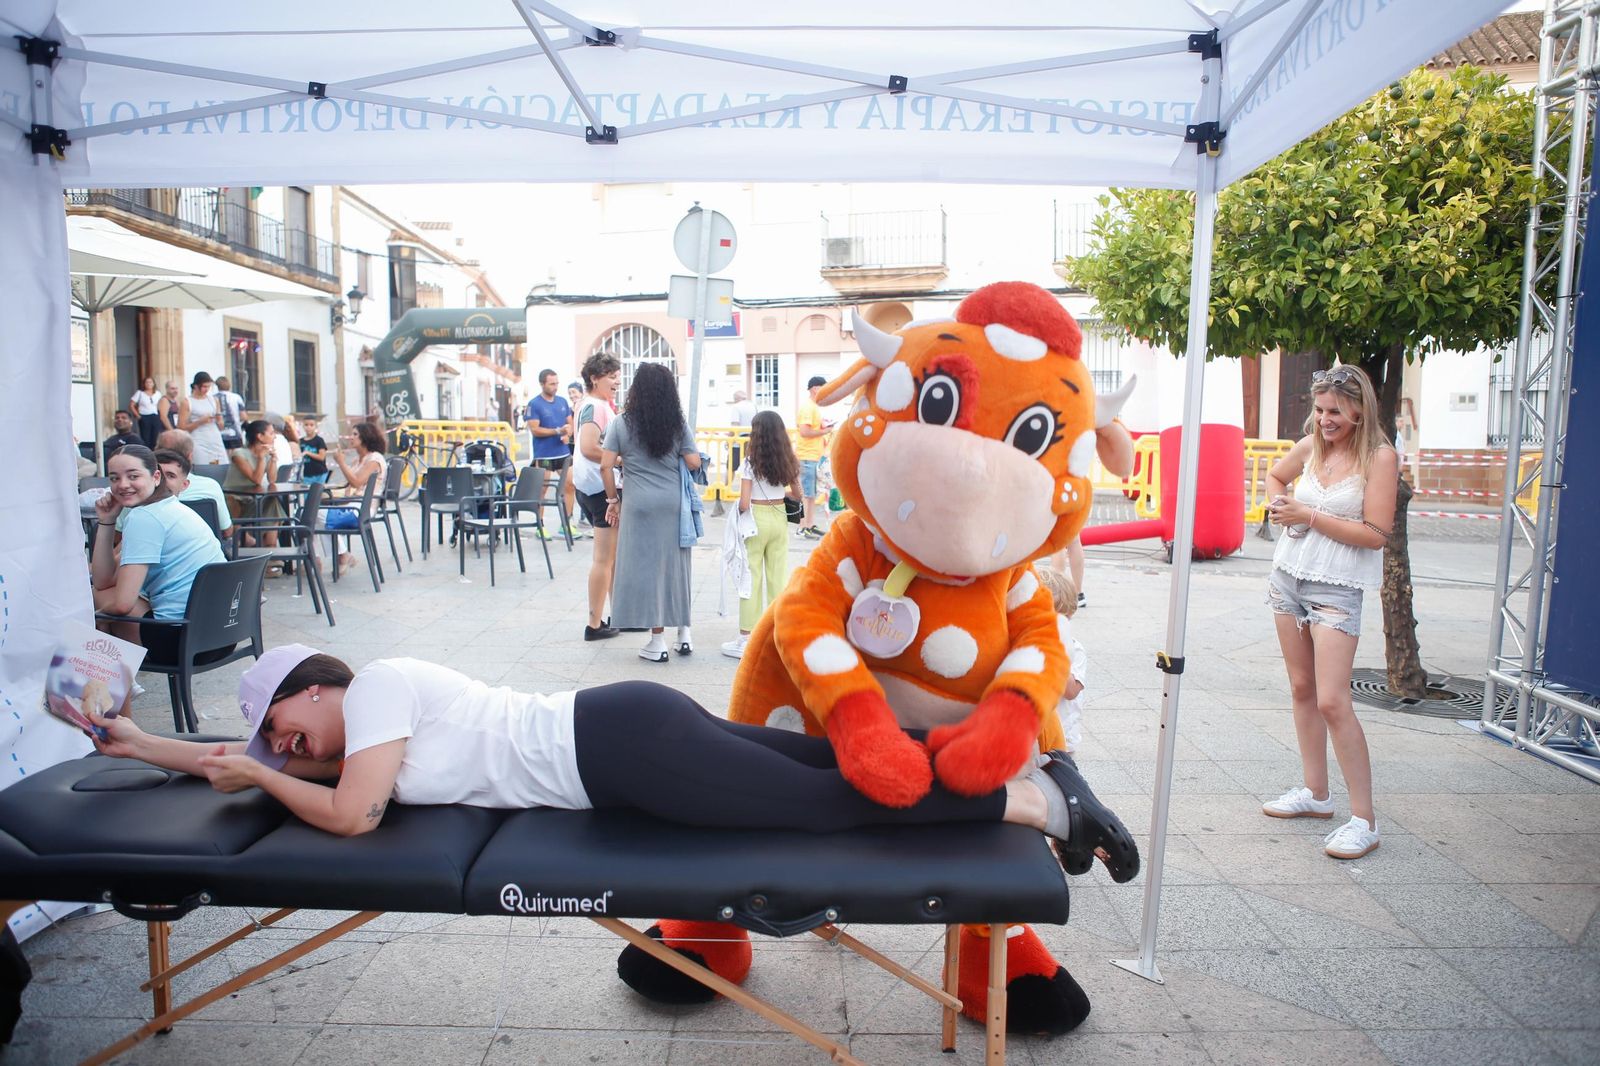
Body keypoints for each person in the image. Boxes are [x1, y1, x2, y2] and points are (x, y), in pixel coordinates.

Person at [82, 646, 1128, 890]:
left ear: (315, 684)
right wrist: (141, 745)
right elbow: (232, 762)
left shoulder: (374, 693)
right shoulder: (353, 728)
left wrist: (266, 779)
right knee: (834, 763)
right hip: (625, 735)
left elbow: (351, 818)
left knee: (825, 801)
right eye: (275, 743)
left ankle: (1024, 797)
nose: (283, 744)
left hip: (620, 746)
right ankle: (1031, 771)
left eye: (281, 725)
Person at [1262, 364, 1398, 861]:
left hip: (1337, 588)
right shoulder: (1314, 446)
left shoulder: (1380, 458)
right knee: (1302, 688)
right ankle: (1316, 795)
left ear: (1360, 410)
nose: (1324, 419)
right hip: (1288, 577)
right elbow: (1276, 475)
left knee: (1333, 701)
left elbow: (1377, 534)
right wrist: (1280, 506)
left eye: (1335, 411)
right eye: (1319, 410)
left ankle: (1365, 820)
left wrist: (1308, 516)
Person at [601, 362, 701, 662]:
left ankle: (656, 642)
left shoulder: (622, 423)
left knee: (648, 572)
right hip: (672, 505)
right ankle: (684, 634)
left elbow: (606, 465)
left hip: (638, 506)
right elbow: (694, 462)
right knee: (677, 567)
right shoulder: (677, 423)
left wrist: (612, 500)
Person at [90, 446, 226, 656]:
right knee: (107, 594)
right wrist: (107, 521)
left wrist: (97, 616)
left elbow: (121, 603)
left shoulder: (144, 518)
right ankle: (118, 683)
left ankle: (112, 683)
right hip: (222, 635)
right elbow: (104, 580)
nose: (123, 485)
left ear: (155, 477)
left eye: (133, 476)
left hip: (181, 640)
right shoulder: (172, 506)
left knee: (93, 598)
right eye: (114, 478)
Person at [721, 410, 802, 660]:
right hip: (779, 519)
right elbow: (797, 495)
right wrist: (780, 496)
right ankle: (777, 633)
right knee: (777, 577)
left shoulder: (750, 462)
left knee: (751, 579)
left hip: (755, 519)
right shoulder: (789, 460)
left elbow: (744, 503)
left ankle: (746, 638)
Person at [573, 353, 622, 641]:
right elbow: (589, 447)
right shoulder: (596, 407)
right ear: (594, 378)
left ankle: (618, 615)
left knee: (610, 558)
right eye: (611, 375)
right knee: (604, 559)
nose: (616, 380)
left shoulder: (593, 405)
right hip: (601, 491)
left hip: (591, 488)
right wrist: (620, 461)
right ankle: (594, 624)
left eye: (617, 374)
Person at [1035, 567, 1088, 753]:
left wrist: (1057, 653)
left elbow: (1071, 691)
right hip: (1032, 735)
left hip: (1063, 738)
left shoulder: (1075, 650)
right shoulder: (1027, 646)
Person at [524, 368, 581, 539]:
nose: (555, 387)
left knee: (571, 484)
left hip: (562, 454)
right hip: (544, 456)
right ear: (542, 384)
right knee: (542, 489)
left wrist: (568, 433)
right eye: (551, 384)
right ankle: (539, 525)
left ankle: (567, 523)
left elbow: (570, 424)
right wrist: (557, 431)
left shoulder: (562, 402)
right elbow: (535, 429)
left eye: (557, 383)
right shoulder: (534, 404)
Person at [324, 420, 387, 572]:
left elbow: (356, 482)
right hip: (352, 503)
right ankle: (340, 555)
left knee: (315, 516)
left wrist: (341, 463)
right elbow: (348, 485)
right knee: (314, 517)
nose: (350, 438)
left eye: (355, 435)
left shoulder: (374, 460)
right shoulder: (358, 460)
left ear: (365, 437)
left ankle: (342, 555)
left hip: (361, 508)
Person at [150, 442, 233, 543]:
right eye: (157, 475)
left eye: (170, 476)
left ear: (184, 484)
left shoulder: (136, 504)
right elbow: (227, 531)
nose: (163, 481)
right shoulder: (211, 485)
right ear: (190, 456)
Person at [224, 419, 283, 553]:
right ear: (260, 436)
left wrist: (273, 459)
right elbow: (256, 479)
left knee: (272, 501)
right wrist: (262, 458)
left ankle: (269, 549)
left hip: (252, 500)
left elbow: (272, 479)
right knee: (272, 505)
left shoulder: (266, 454)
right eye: (271, 433)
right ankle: (269, 552)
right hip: (235, 500)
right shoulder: (239, 454)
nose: (275, 436)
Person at [794, 375, 830, 539]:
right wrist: (824, 431)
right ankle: (802, 528)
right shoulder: (808, 407)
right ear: (816, 388)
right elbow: (804, 431)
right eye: (824, 388)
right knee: (806, 495)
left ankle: (808, 524)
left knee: (811, 494)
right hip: (807, 455)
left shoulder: (813, 407)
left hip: (813, 456)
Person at [179, 372, 228, 464]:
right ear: (196, 386)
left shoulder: (214, 400)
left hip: (214, 436)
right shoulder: (187, 402)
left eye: (208, 387)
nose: (207, 389)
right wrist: (200, 422)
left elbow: (221, 423)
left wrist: (219, 420)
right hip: (198, 438)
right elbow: (181, 427)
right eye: (204, 387)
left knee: (220, 464)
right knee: (202, 464)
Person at [726, 387, 757, 475]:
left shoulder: (736, 407)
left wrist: (729, 440)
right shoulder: (753, 406)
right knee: (751, 465)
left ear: (736, 399)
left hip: (738, 441)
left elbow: (734, 426)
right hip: (751, 439)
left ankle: (726, 487)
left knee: (731, 466)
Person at [214, 375, 247, 453]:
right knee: (236, 457)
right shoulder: (236, 397)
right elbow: (243, 416)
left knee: (219, 459)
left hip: (218, 435)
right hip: (235, 433)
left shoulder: (213, 398)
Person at [129, 376, 163, 448]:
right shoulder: (140, 393)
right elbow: (132, 405)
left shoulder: (158, 393)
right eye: (147, 382)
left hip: (155, 416)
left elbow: (161, 405)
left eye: (150, 382)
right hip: (144, 416)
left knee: (155, 437)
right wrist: (138, 416)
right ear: (144, 384)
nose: (149, 384)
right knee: (145, 438)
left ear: (153, 384)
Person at [298, 416, 330, 485]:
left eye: (311, 425)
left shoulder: (319, 440)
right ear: (303, 426)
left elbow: (321, 457)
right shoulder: (301, 441)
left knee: (318, 494)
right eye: (306, 425)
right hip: (307, 475)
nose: (308, 427)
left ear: (316, 426)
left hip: (320, 474)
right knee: (307, 495)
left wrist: (308, 453)